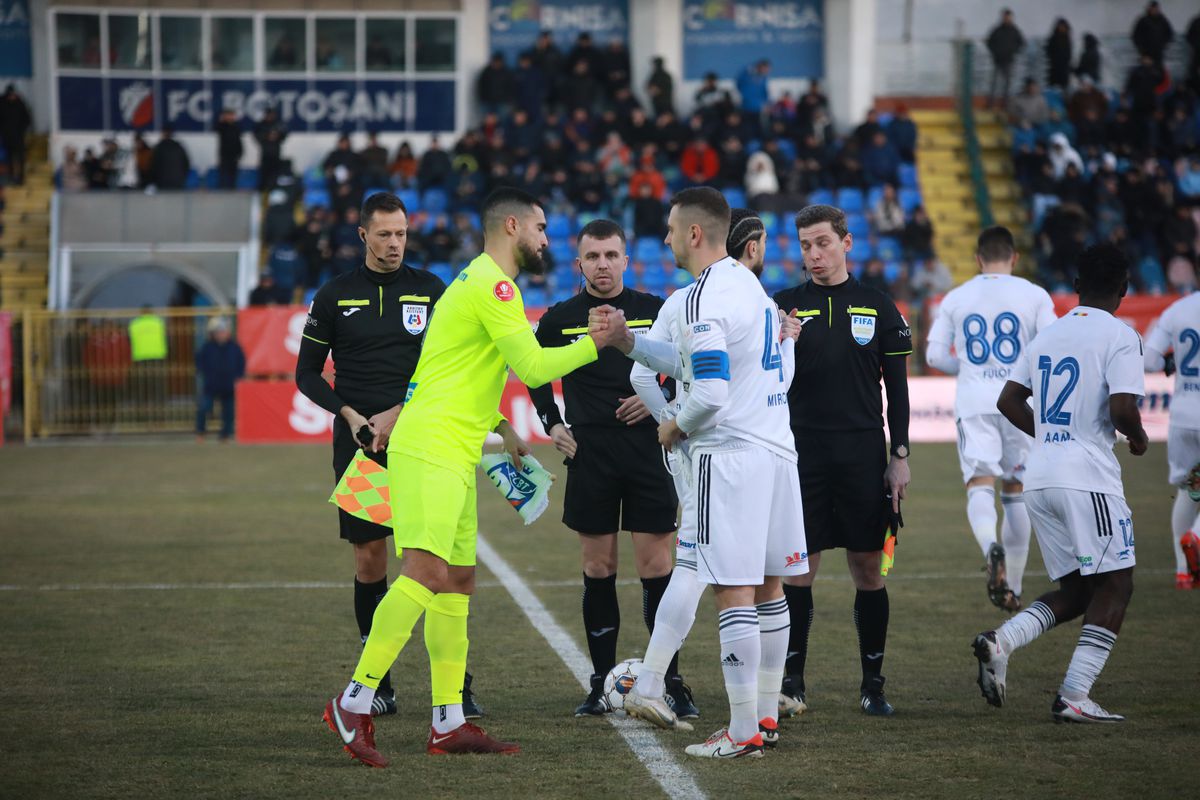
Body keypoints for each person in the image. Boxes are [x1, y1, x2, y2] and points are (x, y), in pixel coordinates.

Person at [321, 188, 626, 766]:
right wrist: (597, 342)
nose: (545, 239)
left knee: (457, 583)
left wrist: (498, 424)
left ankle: (448, 721)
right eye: (540, 228)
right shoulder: (495, 285)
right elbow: (533, 365)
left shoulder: (472, 281)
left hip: (453, 451)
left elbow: (445, 372)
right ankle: (353, 701)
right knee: (424, 571)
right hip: (431, 450)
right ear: (511, 226)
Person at [593, 191, 806, 759]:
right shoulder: (751, 288)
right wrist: (630, 341)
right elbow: (697, 364)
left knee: (732, 589)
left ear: (694, 234)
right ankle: (763, 716)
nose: (665, 238)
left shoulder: (701, 298)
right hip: (775, 451)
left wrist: (674, 426)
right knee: (768, 584)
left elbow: (707, 391)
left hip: (729, 454)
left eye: (669, 229)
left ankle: (740, 733)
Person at [297, 192, 473, 720]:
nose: (395, 243)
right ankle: (381, 686)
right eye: (385, 234)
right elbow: (306, 374)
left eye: (401, 234)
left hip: (424, 443)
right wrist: (349, 414)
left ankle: (456, 686)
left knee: (437, 565)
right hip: (362, 450)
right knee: (371, 561)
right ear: (363, 236)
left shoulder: (430, 290)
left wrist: (403, 410)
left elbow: (451, 365)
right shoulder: (334, 296)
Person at [525, 219, 695, 718]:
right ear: (579, 264)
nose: (602, 264)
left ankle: (671, 680)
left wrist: (659, 398)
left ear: (626, 260)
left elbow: (687, 367)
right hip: (590, 453)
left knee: (657, 568)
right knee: (598, 567)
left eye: (611, 255)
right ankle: (601, 684)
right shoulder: (559, 318)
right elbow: (533, 372)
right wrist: (551, 422)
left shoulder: (654, 310)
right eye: (593, 256)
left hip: (649, 450)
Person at [978, 243, 1147, 723]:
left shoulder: (1048, 335)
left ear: (1074, 286)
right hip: (1087, 479)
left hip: (1041, 476)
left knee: (1076, 590)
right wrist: (1137, 438)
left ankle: (1001, 641)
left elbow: (1008, 400)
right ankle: (1074, 694)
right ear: (1124, 289)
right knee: (1116, 584)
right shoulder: (1122, 335)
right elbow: (1122, 408)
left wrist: (1052, 437)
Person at [772, 204, 912, 717]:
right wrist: (779, 340)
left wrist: (899, 455)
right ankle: (792, 683)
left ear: (846, 243)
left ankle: (873, 684)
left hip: (861, 455)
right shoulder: (782, 307)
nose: (814, 254)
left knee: (867, 569)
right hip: (799, 456)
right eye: (806, 245)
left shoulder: (878, 306)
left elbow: (897, 393)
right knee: (798, 570)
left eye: (823, 243)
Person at [925, 227, 1057, 611]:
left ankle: (990, 548)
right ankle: (1012, 587)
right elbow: (1051, 343)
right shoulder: (1034, 295)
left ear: (978, 259)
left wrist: (966, 368)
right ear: (1014, 258)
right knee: (1016, 491)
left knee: (979, 485)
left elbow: (934, 356)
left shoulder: (957, 297)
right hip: (1018, 402)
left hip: (976, 399)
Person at [1143, 288, 1200, 589]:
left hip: (1182, 414)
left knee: (1188, 488)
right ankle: (1197, 536)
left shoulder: (1177, 310)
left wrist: (1170, 364)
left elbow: (1150, 360)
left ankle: (1182, 570)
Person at [195, 317, 245, 441]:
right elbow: (200, 362)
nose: (220, 334)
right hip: (211, 384)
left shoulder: (235, 347)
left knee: (228, 412)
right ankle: (200, 432)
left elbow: (241, 363)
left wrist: (238, 377)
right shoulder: (207, 347)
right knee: (204, 408)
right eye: (218, 332)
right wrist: (206, 373)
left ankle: (225, 434)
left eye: (223, 331)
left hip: (228, 385)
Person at [986, 10, 1025, 109]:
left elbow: (1021, 43)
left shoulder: (1014, 30)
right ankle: (990, 104)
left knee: (1007, 84)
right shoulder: (997, 30)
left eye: (1008, 17)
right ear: (1002, 18)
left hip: (1009, 61)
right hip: (997, 60)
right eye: (1005, 17)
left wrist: (1013, 51)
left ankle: (1005, 105)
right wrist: (995, 52)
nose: (1007, 19)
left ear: (1011, 18)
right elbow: (989, 42)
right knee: (994, 84)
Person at [0, 84, 32, 185]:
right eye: (10, 95)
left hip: (18, 137)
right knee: (9, 158)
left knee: (20, 158)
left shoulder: (20, 103)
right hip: (6, 137)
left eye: (13, 95)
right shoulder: (2, 102)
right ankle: (10, 178)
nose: (11, 97)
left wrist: (21, 130)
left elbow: (27, 119)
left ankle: (20, 178)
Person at [254, 107, 288, 192]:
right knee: (264, 171)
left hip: (276, 151)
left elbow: (284, 135)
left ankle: (274, 186)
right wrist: (267, 136)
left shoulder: (278, 124)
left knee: (275, 170)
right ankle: (263, 187)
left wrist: (277, 136)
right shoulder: (261, 124)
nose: (271, 117)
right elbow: (257, 135)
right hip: (265, 151)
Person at [1133, 1, 1174, 66]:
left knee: (1158, 71)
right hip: (1146, 53)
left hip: (1158, 52)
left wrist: (1163, 45)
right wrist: (1141, 50)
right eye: (1153, 8)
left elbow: (1170, 34)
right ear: (1149, 9)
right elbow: (1136, 36)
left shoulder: (1163, 20)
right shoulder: (1143, 20)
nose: (1154, 10)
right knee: (1146, 71)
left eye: (1156, 8)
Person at [215, 108, 243, 190]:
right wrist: (222, 120)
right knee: (223, 174)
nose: (230, 117)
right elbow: (216, 128)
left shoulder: (236, 127)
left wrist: (240, 151)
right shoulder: (222, 126)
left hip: (234, 154)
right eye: (228, 115)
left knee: (233, 175)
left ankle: (232, 190)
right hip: (224, 154)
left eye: (231, 115)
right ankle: (222, 191)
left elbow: (239, 140)